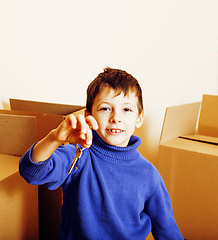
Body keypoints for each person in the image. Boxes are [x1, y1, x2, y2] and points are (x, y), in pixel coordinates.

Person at [19, 67, 183, 239]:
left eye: (126, 109)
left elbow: (168, 231)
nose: (116, 118)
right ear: (89, 115)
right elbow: (31, 173)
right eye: (105, 108)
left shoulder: (149, 174)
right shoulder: (77, 154)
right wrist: (55, 139)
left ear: (139, 118)